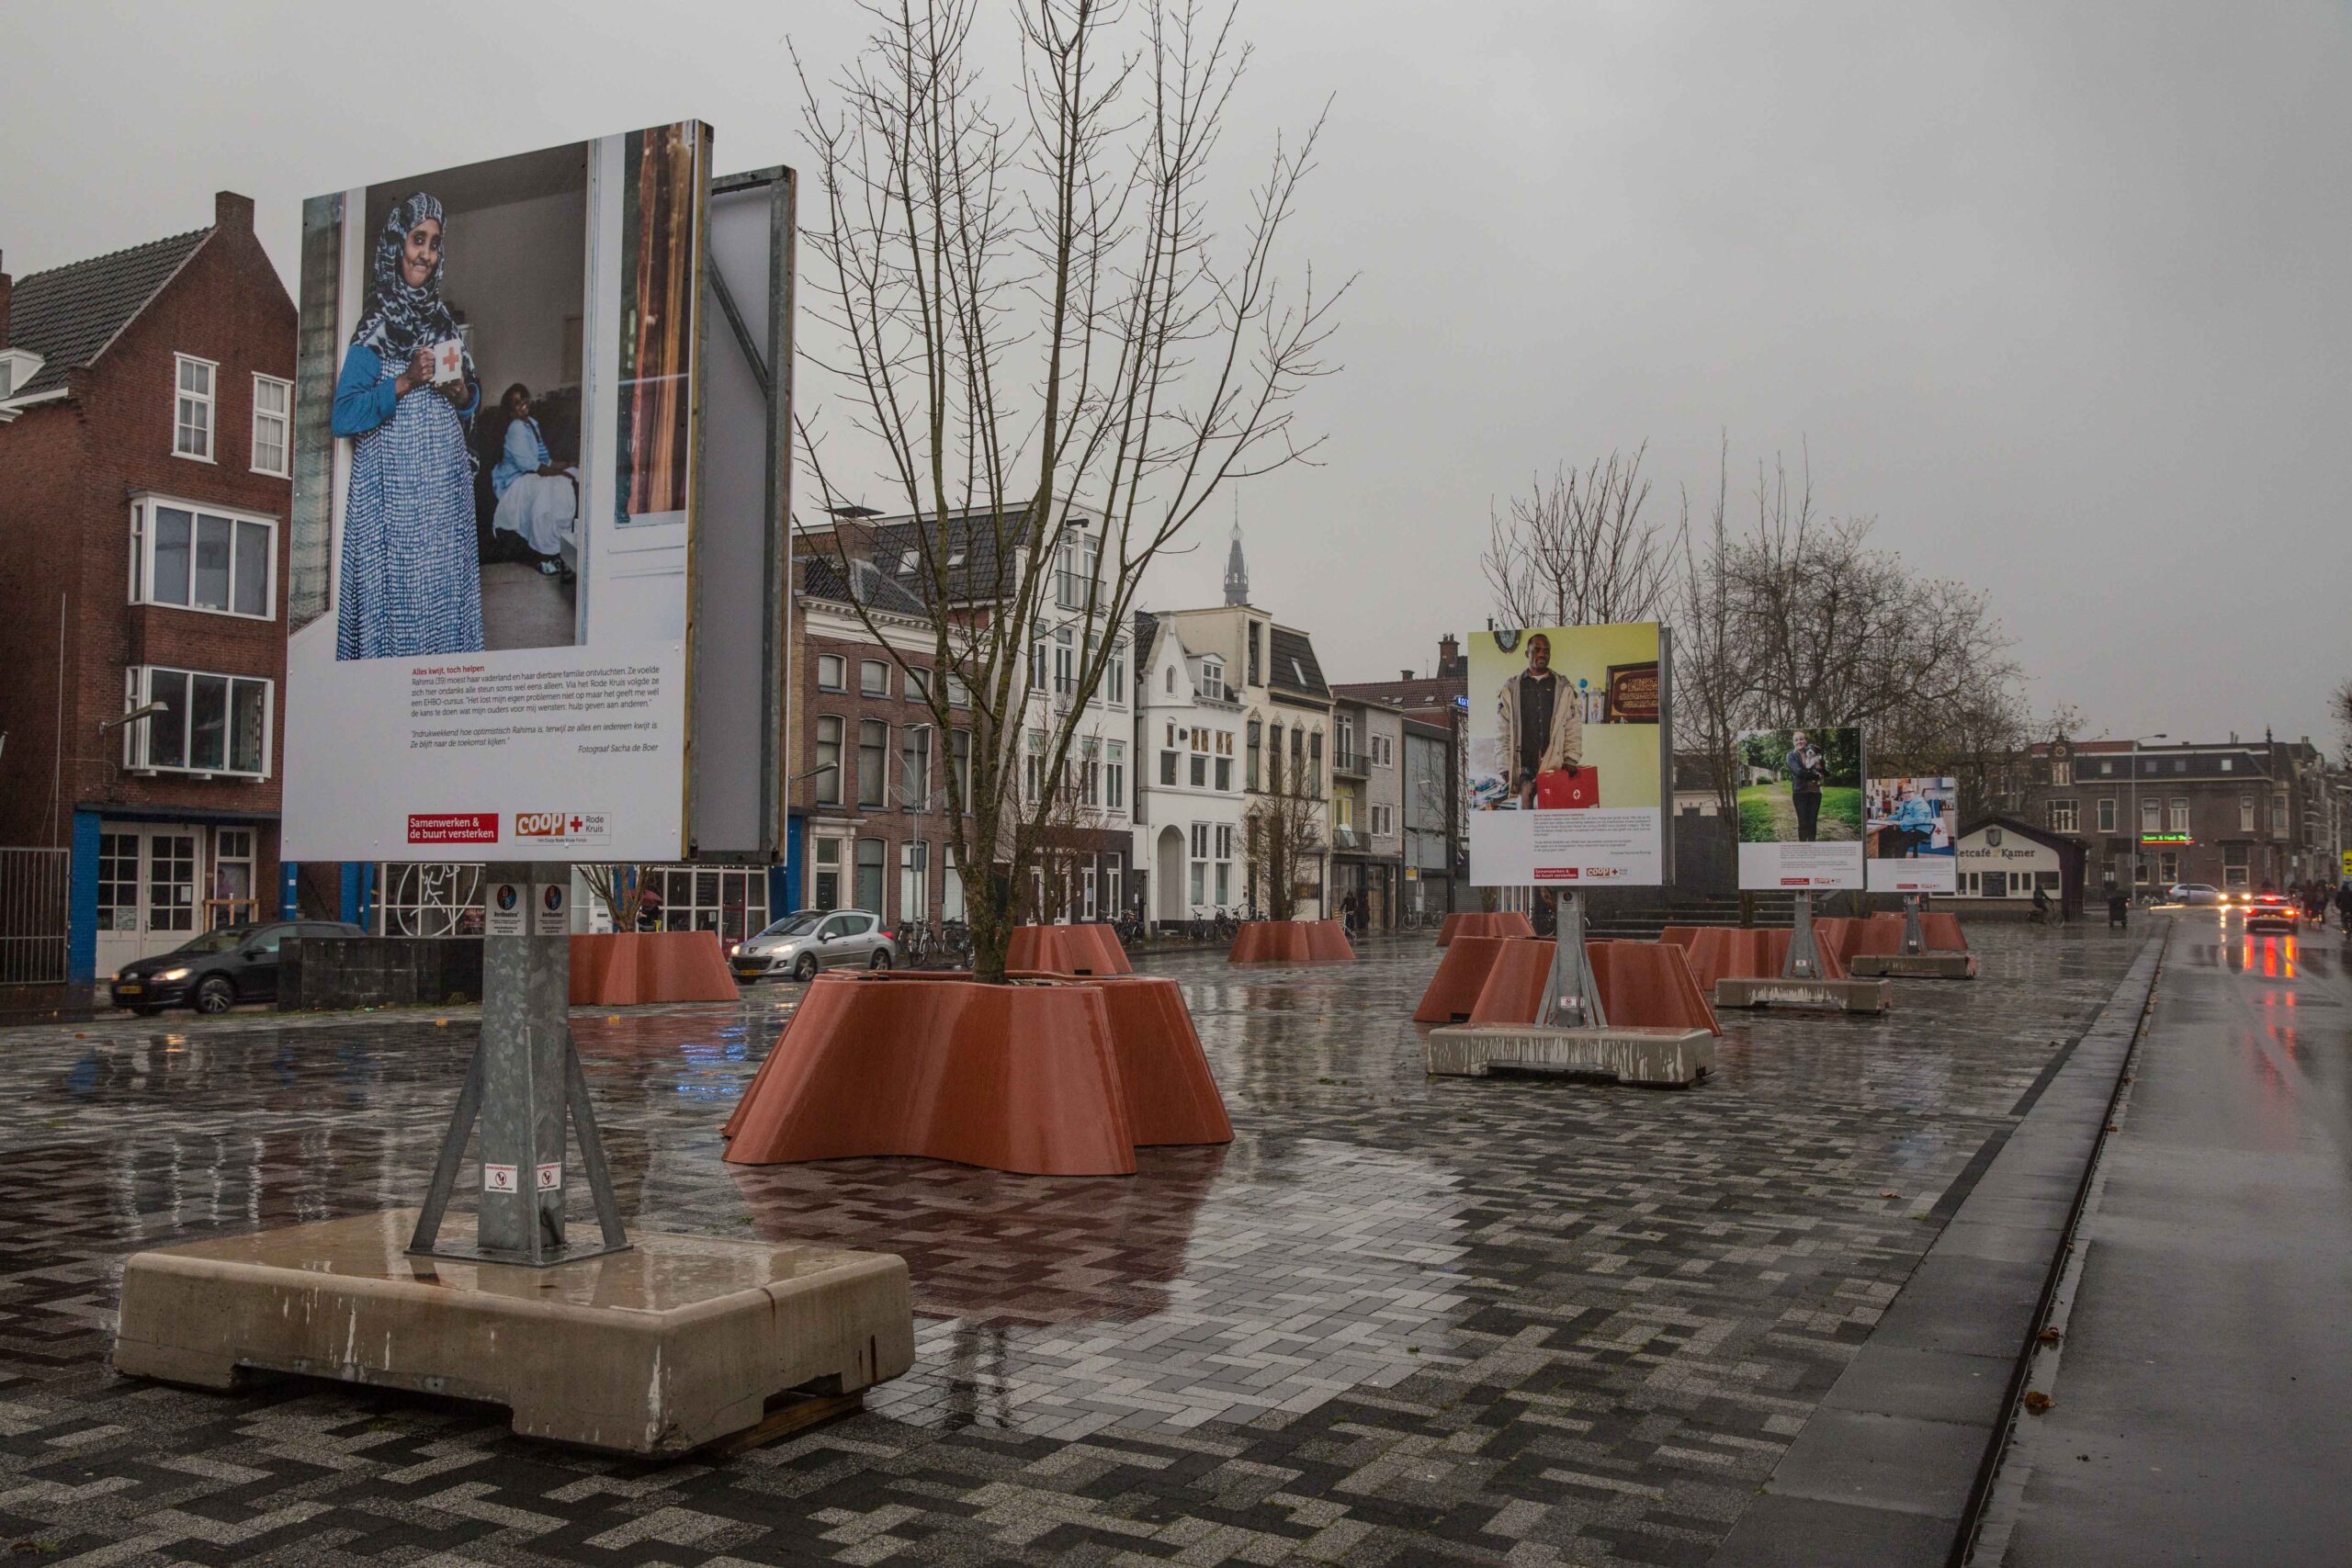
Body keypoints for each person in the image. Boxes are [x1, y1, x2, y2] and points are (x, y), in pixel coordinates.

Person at [332, 194, 483, 659]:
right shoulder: (374, 326)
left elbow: (471, 403)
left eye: (435, 244)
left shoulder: (445, 326)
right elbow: (343, 414)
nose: (426, 253)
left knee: (441, 597)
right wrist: (404, 380)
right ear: (397, 246)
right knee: (400, 602)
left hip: (444, 495)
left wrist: (460, 393)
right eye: (418, 240)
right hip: (392, 498)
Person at [491, 384, 578, 573]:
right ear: (510, 410)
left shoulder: (532, 423)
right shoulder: (515, 427)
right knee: (548, 490)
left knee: (563, 483)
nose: (522, 405)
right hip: (514, 481)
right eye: (516, 403)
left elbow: (545, 460)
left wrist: (569, 464)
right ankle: (544, 550)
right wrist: (563, 473)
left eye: (523, 399)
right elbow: (530, 465)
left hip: (532, 473)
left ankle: (557, 547)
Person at [1494, 633, 1581, 808]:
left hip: (1553, 764)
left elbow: (1572, 724)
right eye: (1537, 650)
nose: (1542, 654)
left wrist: (1571, 758)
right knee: (1525, 806)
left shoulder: (1563, 687)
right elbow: (1503, 730)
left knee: (1550, 809)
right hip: (1524, 765)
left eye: (1546, 651)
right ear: (1528, 654)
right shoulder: (1512, 689)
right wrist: (1504, 765)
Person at [1785, 731, 1826, 842]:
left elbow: (1821, 766)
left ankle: (1812, 846)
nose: (1799, 741)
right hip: (1800, 794)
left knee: (1812, 822)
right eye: (1796, 740)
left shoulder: (1813, 752)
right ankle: (1803, 848)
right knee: (1803, 822)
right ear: (1793, 743)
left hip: (1815, 793)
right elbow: (1798, 772)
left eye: (1801, 739)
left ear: (1805, 741)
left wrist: (1821, 771)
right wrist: (1817, 776)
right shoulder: (1791, 755)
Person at [1883, 784, 1938, 858]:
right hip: (1908, 828)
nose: (1906, 795)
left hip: (1920, 830)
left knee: (1900, 844)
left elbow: (1919, 819)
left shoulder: (1920, 803)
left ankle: (1899, 864)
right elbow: (1898, 815)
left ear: (1914, 792)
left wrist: (1900, 822)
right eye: (1904, 793)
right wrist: (1885, 819)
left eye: (1909, 792)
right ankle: (1886, 861)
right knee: (1886, 837)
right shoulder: (1905, 802)